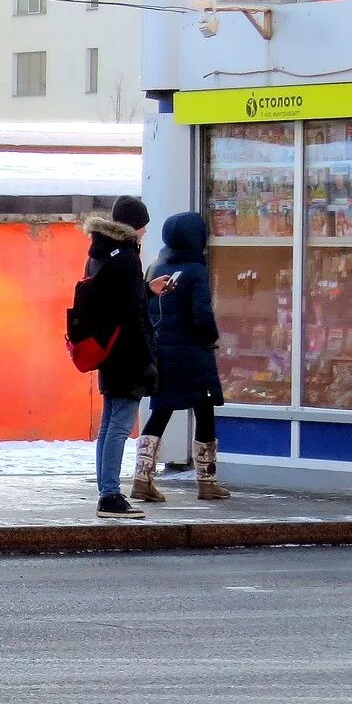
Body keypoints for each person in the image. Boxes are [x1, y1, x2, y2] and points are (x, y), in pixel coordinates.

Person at [134, 211, 230, 503]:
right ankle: (207, 481)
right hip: (192, 354)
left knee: (161, 410)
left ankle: (142, 477)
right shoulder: (196, 270)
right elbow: (202, 315)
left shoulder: (155, 266)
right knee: (204, 410)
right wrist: (212, 337)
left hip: (161, 352)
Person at [83, 195, 166, 520]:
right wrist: (147, 358)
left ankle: (107, 490)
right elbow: (132, 313)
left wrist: (147, 289)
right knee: (119, 426)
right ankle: (110, 496)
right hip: (128, 352)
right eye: (143, 225)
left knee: (108, 424)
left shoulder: (100, 254)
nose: (145, 231)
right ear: (135, 225)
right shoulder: (128, 258)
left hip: (108, 350)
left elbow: (114, 301)